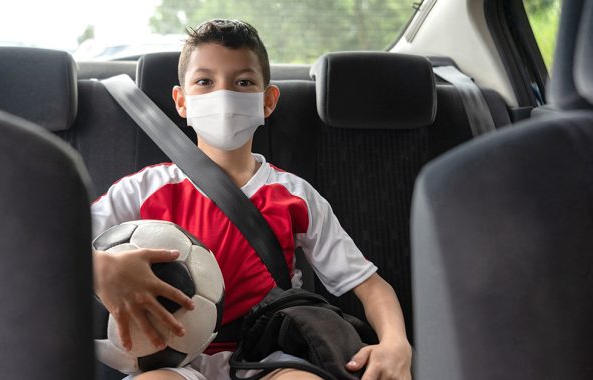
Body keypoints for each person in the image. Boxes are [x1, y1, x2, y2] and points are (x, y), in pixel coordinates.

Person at [91, 19, 412, 380]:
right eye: (205, 82)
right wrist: (100, 267)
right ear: (181, 102)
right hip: (168, 362)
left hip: (268, 356)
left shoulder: (294, 195)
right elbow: (52, 247)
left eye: (243, 83)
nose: (223, 94)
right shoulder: (143, 189)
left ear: (268, 101)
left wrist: (396, 343)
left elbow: (370, 286)